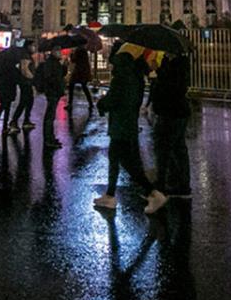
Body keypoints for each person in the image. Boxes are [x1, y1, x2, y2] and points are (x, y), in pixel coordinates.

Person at [94, 43, 168, 214]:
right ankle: (110, 195)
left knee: (127, 161)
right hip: (128, 121)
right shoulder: (136, 74)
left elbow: (114, 98)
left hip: (121, 122)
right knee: (116, 157)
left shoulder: (122, 76)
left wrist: (102, 103)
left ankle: (152, 192)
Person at [150, 52, 192, 197]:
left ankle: (162, 185)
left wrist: (159, 70)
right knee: (178, 149)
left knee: (164, 149)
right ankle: (182, 185)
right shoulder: (172, 62)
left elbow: (172, 86)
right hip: (174, 111)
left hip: (172, 111)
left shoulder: (178, 64)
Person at [0, 40, 33, 135]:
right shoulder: (12, 68)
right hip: (9, 90)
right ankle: (4, 126)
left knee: (2, 107)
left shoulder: (0, 68)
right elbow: (17, 78)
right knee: (7, 108)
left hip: (3, 91)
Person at [34, 47, 67, 148]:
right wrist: (56, 84)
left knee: (51, 116)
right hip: (52, 91)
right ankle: (48, 139)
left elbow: (61, 75)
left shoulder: (56, 63)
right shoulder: (50, 63)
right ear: (53, 52)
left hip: (55, 91)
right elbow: (50, 78)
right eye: (58, 51)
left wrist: (64, 66)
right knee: (50, 116)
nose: (60, 53)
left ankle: (51, 137)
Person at [66, 44, 95, 112]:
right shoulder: (83, 50)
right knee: (84, 87)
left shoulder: (78, 51)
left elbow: (73, 60)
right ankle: (90, 103)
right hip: (84, 71)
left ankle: (70, 104)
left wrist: (71, 54)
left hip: (78, 72)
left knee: (71, 85)